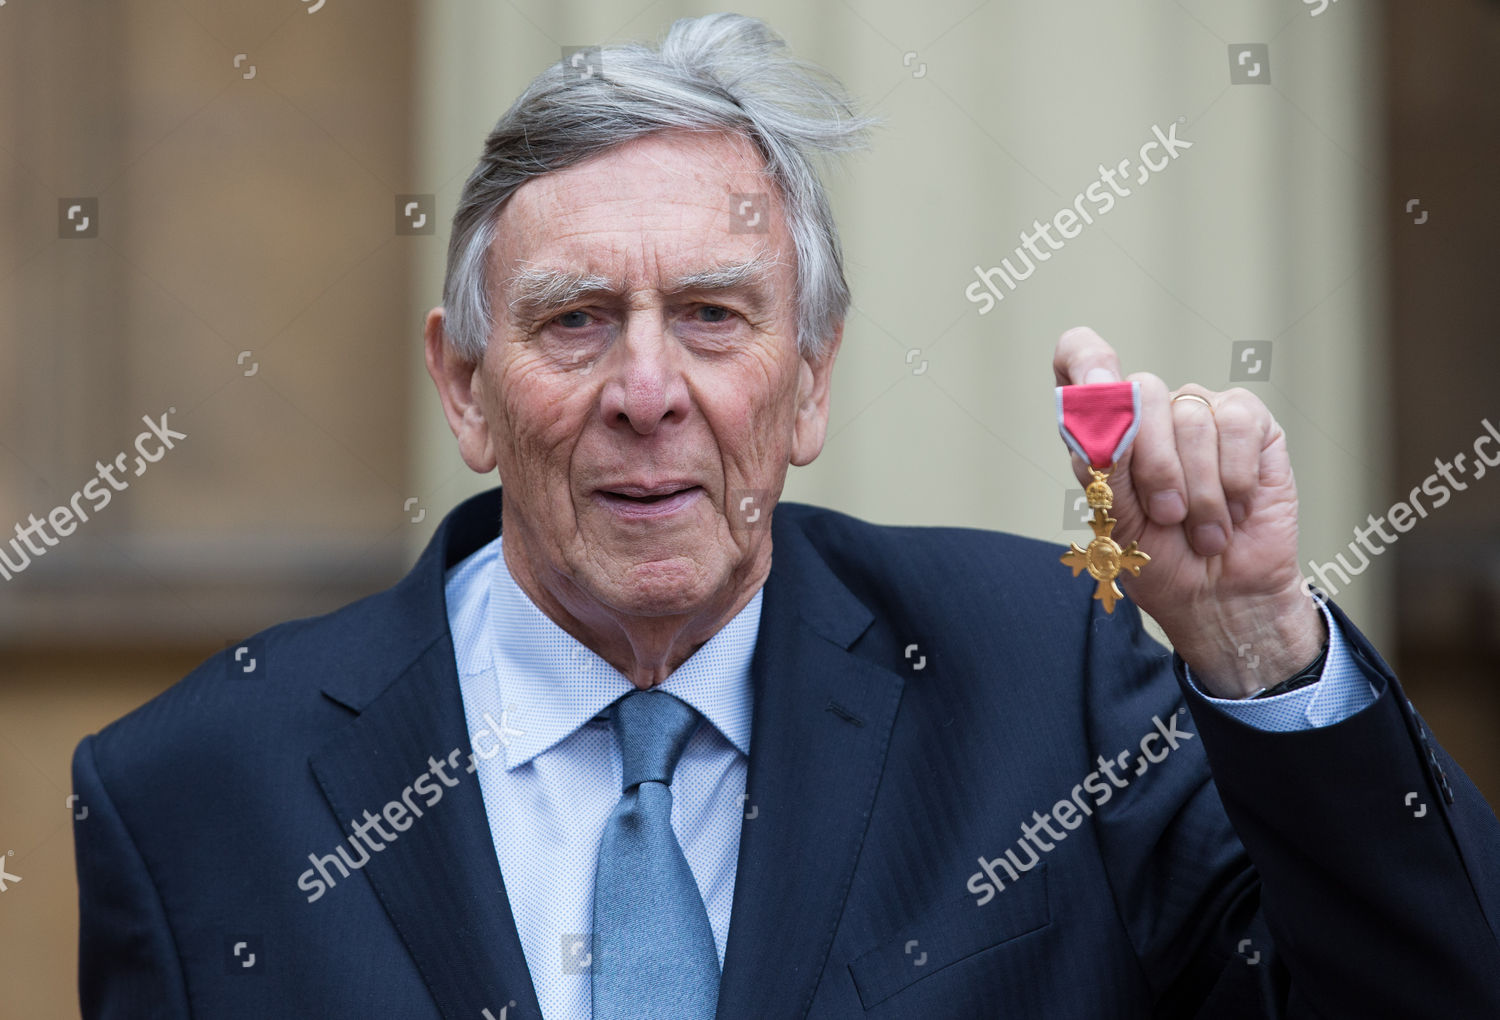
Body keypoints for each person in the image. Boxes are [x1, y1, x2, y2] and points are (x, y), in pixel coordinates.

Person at [73, 13, 1500, 1019]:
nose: (648, 390)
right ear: (464, 387)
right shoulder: (198, 792)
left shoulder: (1050, 681)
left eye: (712, 316)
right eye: (575, 321)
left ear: (807, 382)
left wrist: (1259, 654)